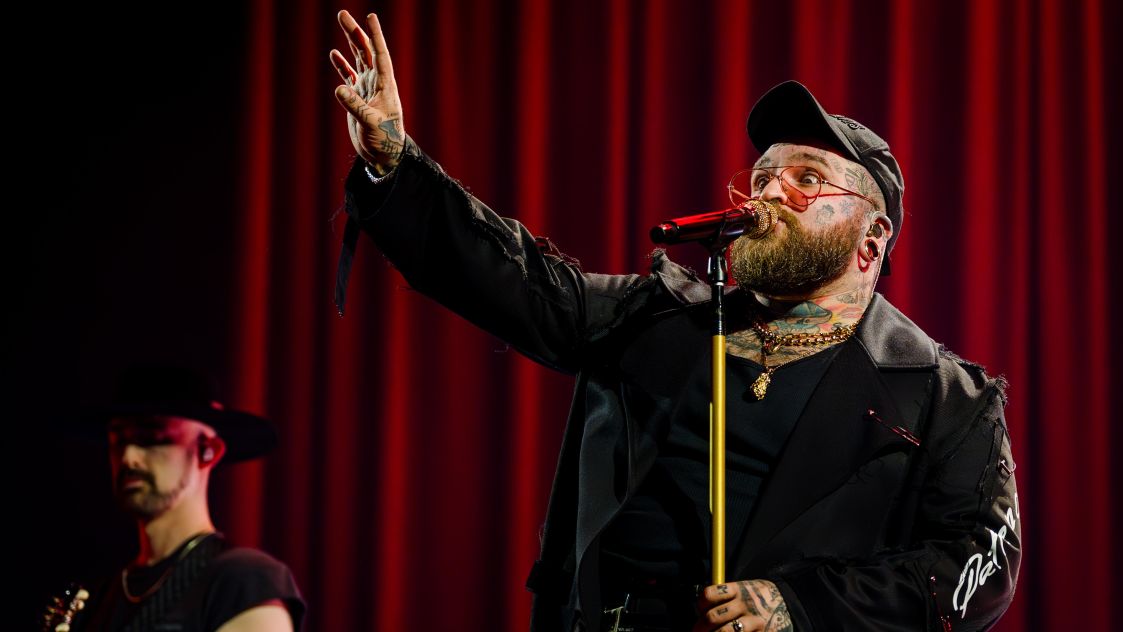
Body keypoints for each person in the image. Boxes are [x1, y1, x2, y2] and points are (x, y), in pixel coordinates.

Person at [327, 11, 1020, 632]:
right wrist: (396, 163)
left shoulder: (942, 397)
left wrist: (802, 605)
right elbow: (516, 279)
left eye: (806, 178)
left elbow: (976, 568)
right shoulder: (658, 317)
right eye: (761, 177)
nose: (767, 192)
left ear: (871, 238)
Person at [75, 366, 305, 631]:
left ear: (208, 450)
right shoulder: (101, 598)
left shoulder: (243, 580)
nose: (129, 457)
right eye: (118, 440)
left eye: (151, 438)